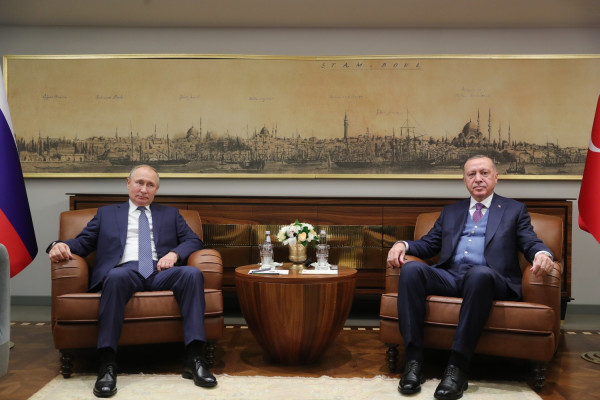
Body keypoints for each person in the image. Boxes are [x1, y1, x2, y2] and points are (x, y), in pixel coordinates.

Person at [386, 155, 554, 400]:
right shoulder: (451, 211)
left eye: (484, 173)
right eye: (471, 174)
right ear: (464, 180)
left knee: (479, 274)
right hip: (451, 276)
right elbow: (429, 244)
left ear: (495, 177)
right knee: (411, 270)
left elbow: (530, 241)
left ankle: (457, 366)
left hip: (490, 279)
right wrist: (402, 244)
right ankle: (414, 362)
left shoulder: (513, 210)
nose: (478, 179)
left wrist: (542, 254)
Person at [47, 165, 216, 398]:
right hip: (124, 271)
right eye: (139, 183)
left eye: (150, 185)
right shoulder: (106, 214)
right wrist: (58, 245)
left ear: (156, 189)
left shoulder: (171, 214)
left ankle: (194, 358)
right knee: (115, 277)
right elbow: (83, 243)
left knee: (191, 274)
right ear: (128, 183)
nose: (144, 189)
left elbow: (193, 241)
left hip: (160, 271)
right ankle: (107, 363)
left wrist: (174, 254)